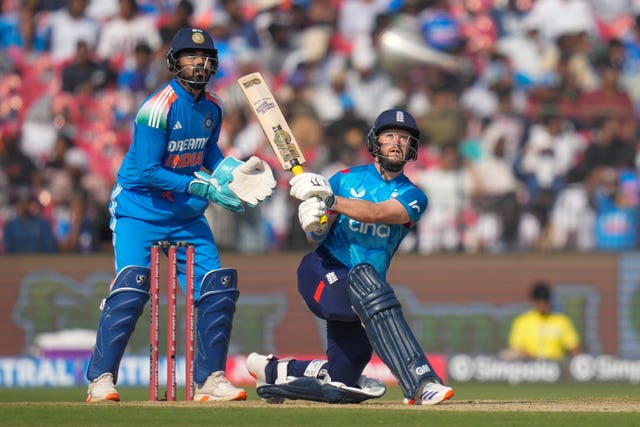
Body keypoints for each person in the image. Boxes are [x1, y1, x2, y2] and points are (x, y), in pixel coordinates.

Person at [85, 27, 276, 403]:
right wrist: (199, 187)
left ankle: (210, 380)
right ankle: (101, 379)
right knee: (132, 286)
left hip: (185, 215)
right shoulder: (156, 109)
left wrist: (228, 174)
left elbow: (208, 154)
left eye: (204, 57)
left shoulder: (213, 108)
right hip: (139, 208)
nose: (198, 63)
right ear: (174, 62)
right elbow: (146, 172)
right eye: (189, 56)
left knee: (217, 286)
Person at [246, 108, 454, 405]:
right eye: (390, 136)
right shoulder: (344, 179)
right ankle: (421, 382)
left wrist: (329, 199)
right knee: (366, 281)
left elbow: (378, 213)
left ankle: (273, 369)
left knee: (345, 374)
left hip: (363, 295)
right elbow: (316, 236)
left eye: (404, 138)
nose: (397, 142)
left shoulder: (414, 196)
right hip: (323, 272)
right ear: (375, 143)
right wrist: (314, 220)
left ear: (412, 148)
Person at [501, 281, 581, 361]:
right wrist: (532, 357)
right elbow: (516, 348)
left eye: (545, 303)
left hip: (556, 367)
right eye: (539, 303)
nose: (542, 306)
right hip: (530, 367)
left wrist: (579, 361)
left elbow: (573, 346)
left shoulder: (561, 321)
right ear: (534, 302)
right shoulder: (523, 321)